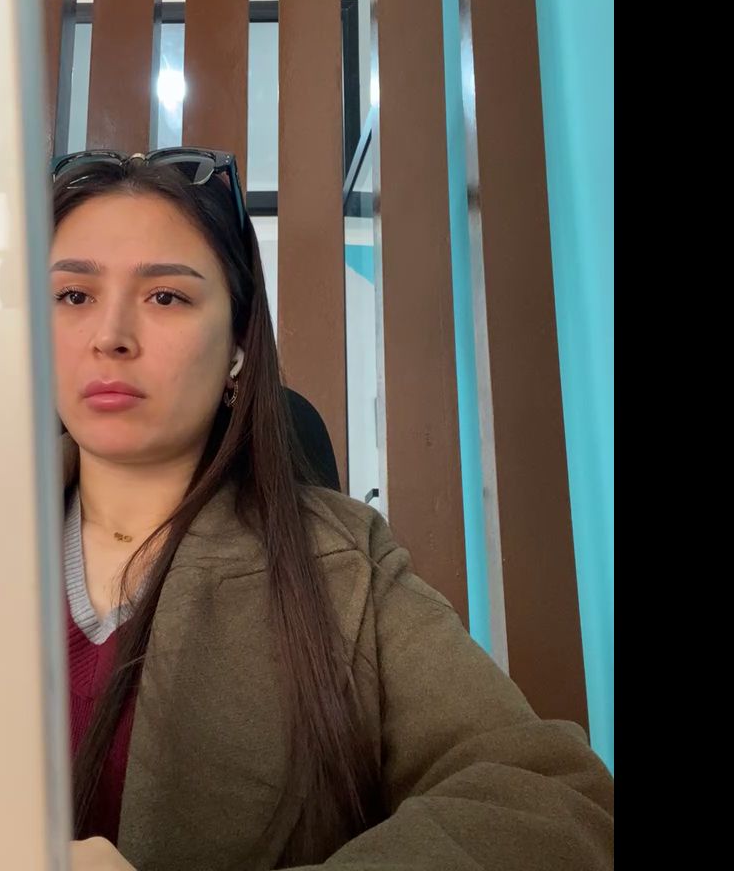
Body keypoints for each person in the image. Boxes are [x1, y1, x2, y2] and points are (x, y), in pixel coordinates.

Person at [48, 148, 614, 871]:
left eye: (166, 297)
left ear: (238, 349)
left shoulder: (341, 564)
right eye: (74, 296)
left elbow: (555, 802)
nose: (110, 335)